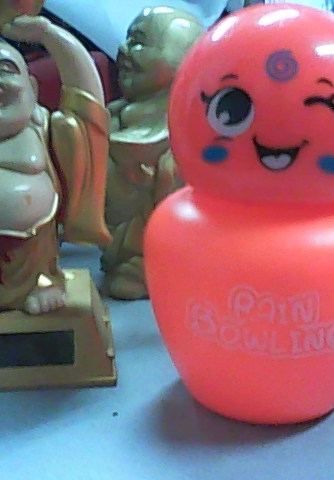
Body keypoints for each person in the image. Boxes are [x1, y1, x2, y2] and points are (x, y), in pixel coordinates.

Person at [0, 15, 111, 314]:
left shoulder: (45, 130)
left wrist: (50, 35)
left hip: (30, 264)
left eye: (5, 70)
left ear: (32, 88)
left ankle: (45, 282)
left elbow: (88, 106)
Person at [101, 6, 204, 300]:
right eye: (127, 38)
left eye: (138, 42)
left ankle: (155, 266)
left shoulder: (188, 136)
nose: (123, 49)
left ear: (183, 59)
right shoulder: (110, 118)